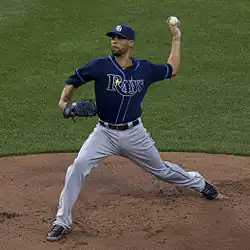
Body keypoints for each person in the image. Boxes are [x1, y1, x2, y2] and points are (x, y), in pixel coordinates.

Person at [46, 19, 220, 241]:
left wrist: (176, 38)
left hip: (134, 134)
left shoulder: (144, 69)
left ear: (130, 43)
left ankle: (199, 183)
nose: (115, 41)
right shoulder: (99, 66)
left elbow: (172, 69)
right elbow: (73, 81)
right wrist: (64, 103)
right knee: (78, 166)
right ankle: (62, 221)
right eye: (113, 38)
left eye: (119, 38)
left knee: (162, 170)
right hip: (104, 133)